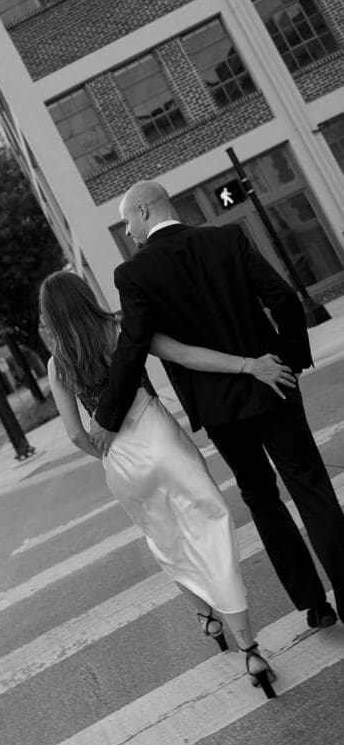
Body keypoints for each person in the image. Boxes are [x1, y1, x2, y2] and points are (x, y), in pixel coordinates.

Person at [89, 179, 344, 632]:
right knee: (311, 487)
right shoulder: (224, 238)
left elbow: (133, 345)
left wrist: (107, 416)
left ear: (146, 211)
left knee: (261, 497)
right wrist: (292, 360)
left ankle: (313, 604)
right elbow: (282, 297)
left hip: (220, 409)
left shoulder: (134, 275)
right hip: (274, 384)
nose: (127, 232)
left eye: (127, 220)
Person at [40, 271, 297, 699]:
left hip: (122, 462)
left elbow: (74, 434)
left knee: (164, 540)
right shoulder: (120, 329)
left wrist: (105, 455)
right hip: (163, 442)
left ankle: (205, 617)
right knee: (209, 527)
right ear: (86, 296)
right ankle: (249, 647)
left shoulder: (58, 365)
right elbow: (185, 354)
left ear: (52, 315)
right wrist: (247, 365)